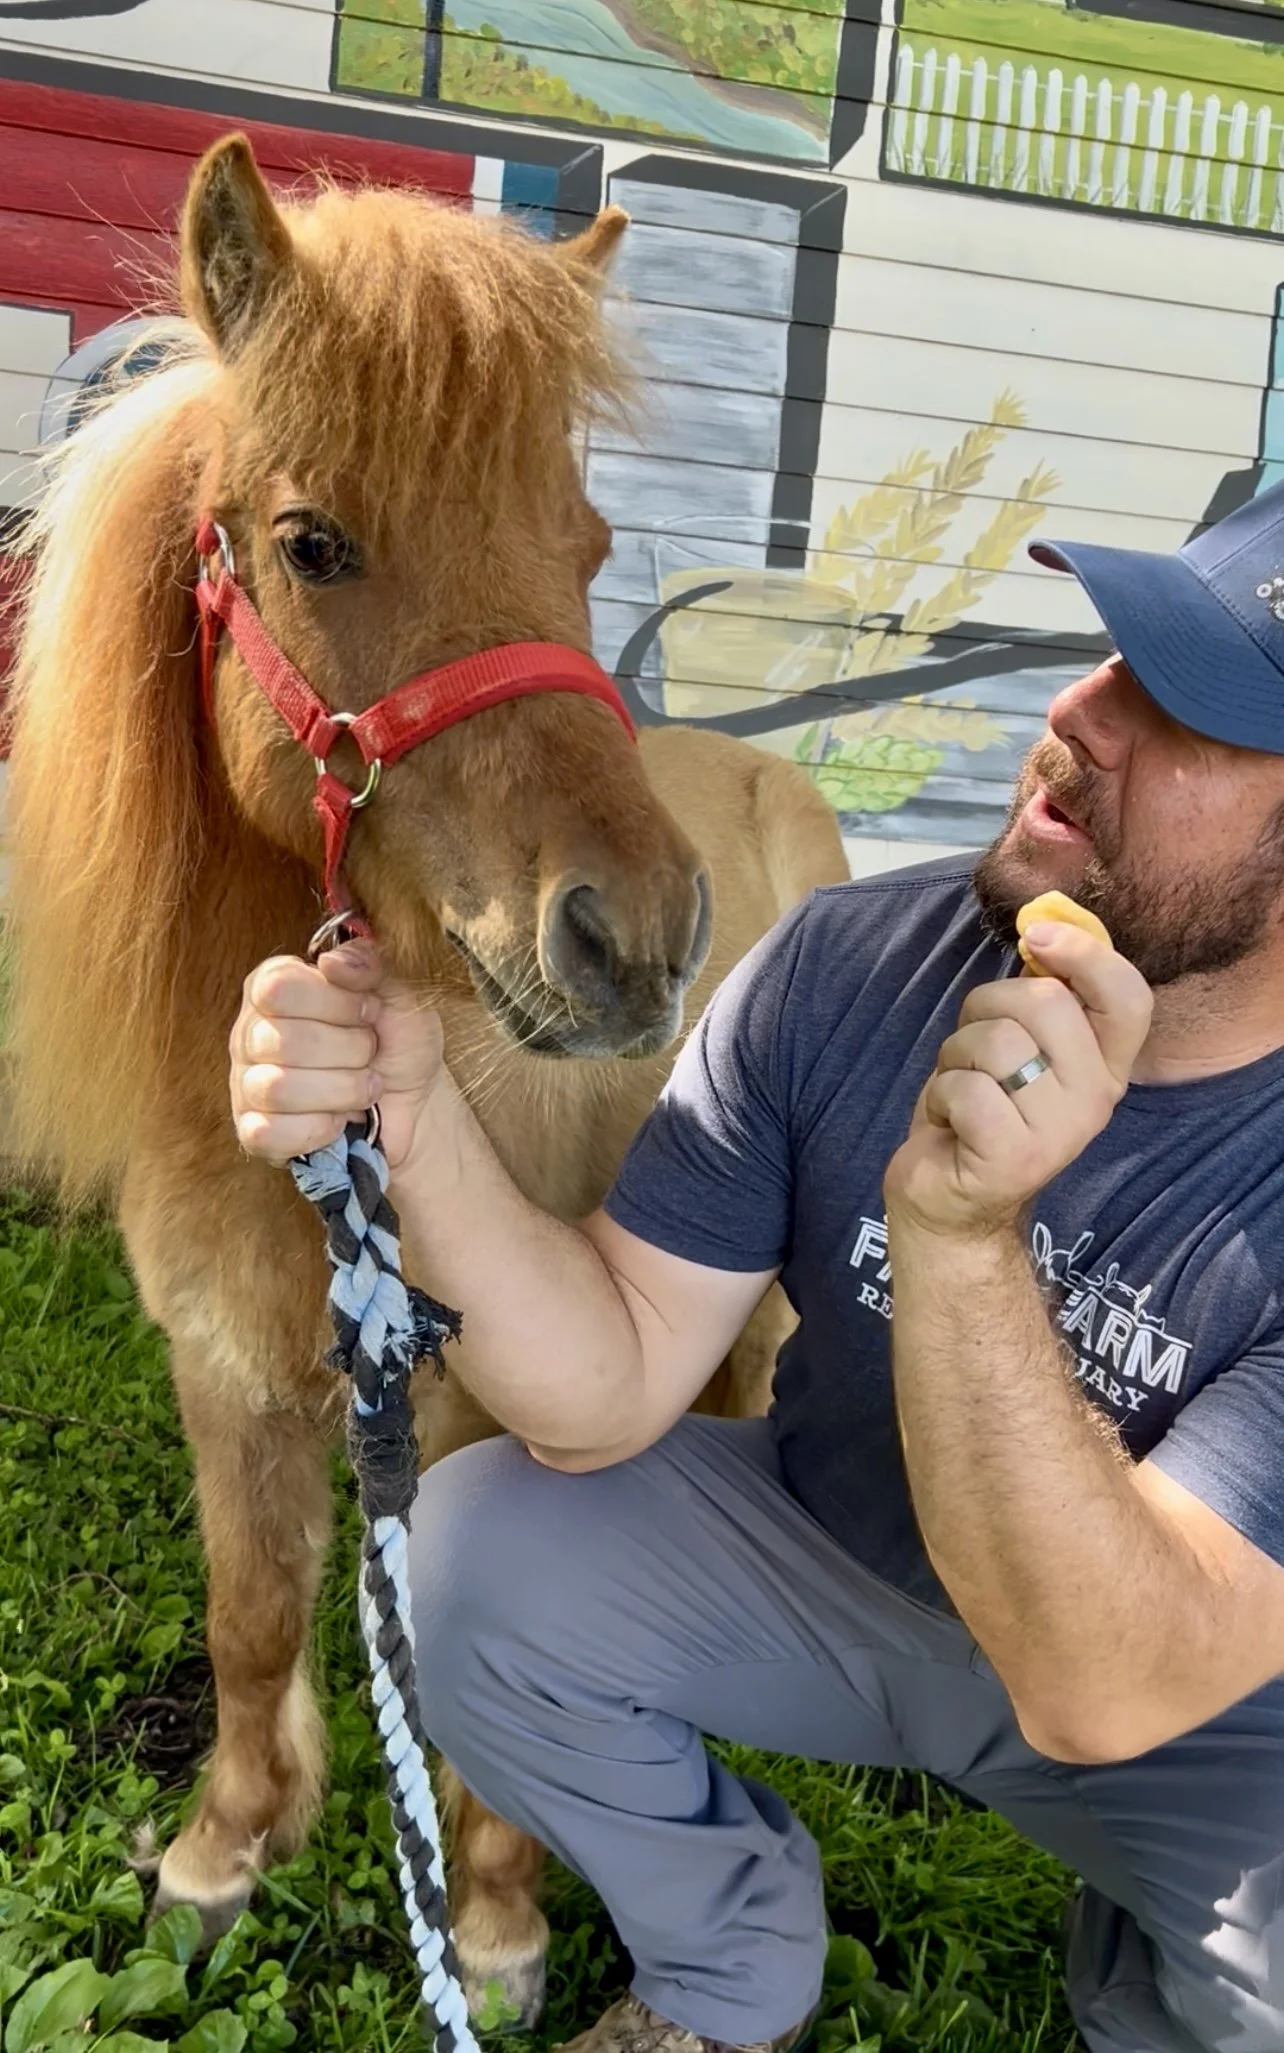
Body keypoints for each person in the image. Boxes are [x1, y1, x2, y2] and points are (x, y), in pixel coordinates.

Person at [229, 483, 1284, 2053]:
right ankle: (731, 1966)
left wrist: (962, 1237)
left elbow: (1106, 1687)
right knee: (480, 1556)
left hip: (1180, 1701)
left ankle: (1156, 1977)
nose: (1080, 709)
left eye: (1185, 706)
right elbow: (608, 1380)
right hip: (833, 1561)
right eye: (1117, 652)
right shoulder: (853, 963)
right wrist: (415, 1114)